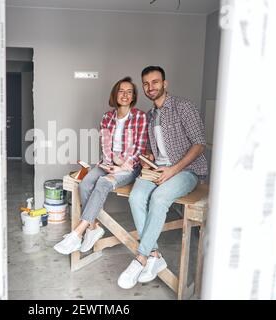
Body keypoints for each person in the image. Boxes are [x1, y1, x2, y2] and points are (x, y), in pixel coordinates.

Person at [117, 66, 208, 289]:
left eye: (155, 82)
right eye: (146, 84)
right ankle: (155, 255)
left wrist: (173, 170)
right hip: (158, 168)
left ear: (164, 84)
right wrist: (147, 157)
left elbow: (199, 144)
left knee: (159, 198)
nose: (151, 88)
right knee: (136, 197)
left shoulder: (183, 107)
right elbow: (154, 149)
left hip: (187, 171)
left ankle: (141, 258)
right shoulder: (149, 116)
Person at [54, 77, 148, 255]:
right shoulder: (107, 117)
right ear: (115, 94)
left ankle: (77, 234)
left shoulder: (140, 117)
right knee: (85, 183)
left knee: (103, 183)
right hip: (108, 162)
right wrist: (111, 161)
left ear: (134, 96)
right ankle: (94, 227)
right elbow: (105, 145)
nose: (125, 95)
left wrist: (120, 166)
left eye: (129, 92)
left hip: (129, 167)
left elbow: (139, 149)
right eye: (121, 91)